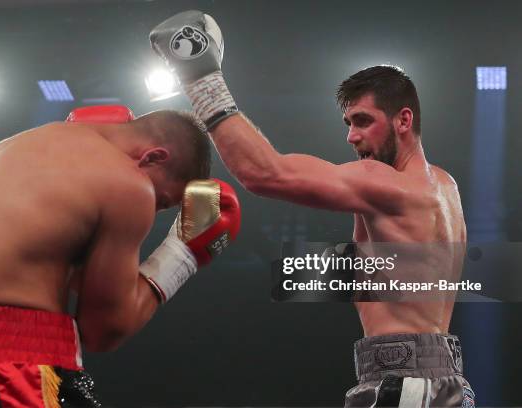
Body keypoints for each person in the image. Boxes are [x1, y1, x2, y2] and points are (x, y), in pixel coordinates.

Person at [150, 11, 474, 407]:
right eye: (347, 122)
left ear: (403, 120)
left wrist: (200, 79)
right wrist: (280, 266)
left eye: (363, 121)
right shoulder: (445, 186)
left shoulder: (380, 180)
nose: (351, 135)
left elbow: (264, 173)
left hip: (401, 383)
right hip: (448, 380)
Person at [0, 105, 241, 407]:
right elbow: (103, 330)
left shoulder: (11, 151)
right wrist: (181, 255)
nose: (152, 211)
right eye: (162, 201)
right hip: (14, 373)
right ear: (153, 158)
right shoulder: (127, 181)